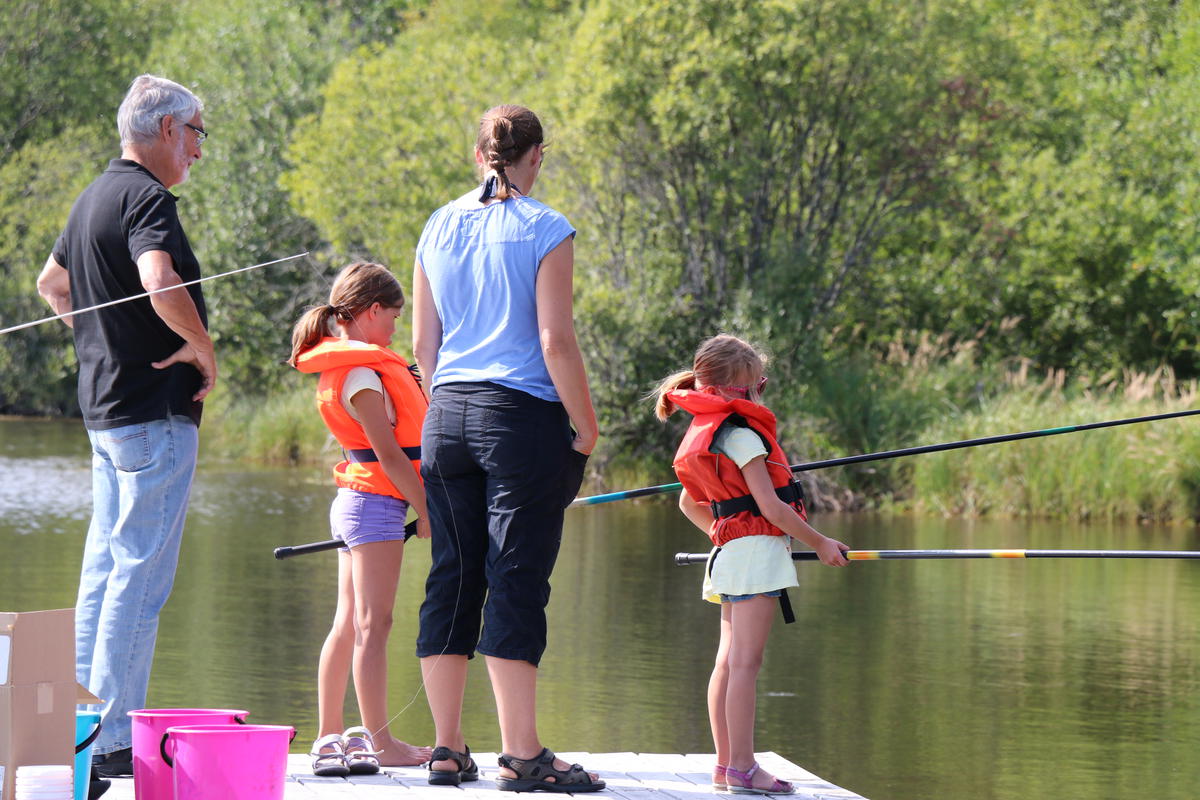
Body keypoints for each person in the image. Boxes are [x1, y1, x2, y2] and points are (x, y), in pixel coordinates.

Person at [411, 104, 603, 792]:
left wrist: (445, 412)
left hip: (447, 416)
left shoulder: (438, 224)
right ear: (537, 156)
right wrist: (586, 425)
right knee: (515, 580)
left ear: (477, 155)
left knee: (453, 577)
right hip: (519, 420)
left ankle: (445, 749)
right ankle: (522, 754)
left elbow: (422, 349)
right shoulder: (547, 228)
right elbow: (555, 342)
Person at [35, 74, 215, 782]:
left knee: (106, 572)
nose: (199, 150)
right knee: (139, 578)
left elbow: (51, 285)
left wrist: (100, 340)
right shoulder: (146, 197)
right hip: (152, 414)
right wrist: (201, 347)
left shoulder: (91, 198)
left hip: (107, 414)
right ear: (168, 130)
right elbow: (158, 278)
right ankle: (109, 740)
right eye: (197, 133)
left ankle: (75, 732)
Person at [654, 334, 850, 796]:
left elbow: (688, 502)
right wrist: (821, 543)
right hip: (757, 557)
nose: (759, 393)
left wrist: (723, 533)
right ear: (732, 391)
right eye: (755, 387)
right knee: (745, 664)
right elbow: (774, 509)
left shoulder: (707, 432)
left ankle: (726, 766)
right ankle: (743, 767)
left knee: (726, 663)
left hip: (727, 556)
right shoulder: (742, 435)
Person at [289, 262, 435, 774]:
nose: (395, 329)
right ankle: (381, 741)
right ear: (372, 311)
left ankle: (330, 735)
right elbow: (391, 455)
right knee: (375, 625)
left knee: (349, 624)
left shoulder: (347, 365)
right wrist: (426, 508)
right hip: (375, 504)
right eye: (393, 317)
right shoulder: (361, 373)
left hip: (357, 502)